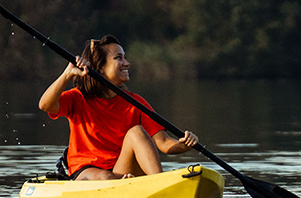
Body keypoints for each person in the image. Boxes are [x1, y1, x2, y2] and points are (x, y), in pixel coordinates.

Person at [38, 35, 198, 180]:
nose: (127, 63)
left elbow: (164, 143)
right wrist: (67, 74)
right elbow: (45, 105)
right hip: (86, 172)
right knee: (106, 177)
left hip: (120, 171)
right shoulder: (78, 97)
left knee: (137, 132)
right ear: (100, 68)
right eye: (118, 58)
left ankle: (159, 183)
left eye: (125, 58)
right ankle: (132, 185)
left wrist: (183, 144)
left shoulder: (136, 102)